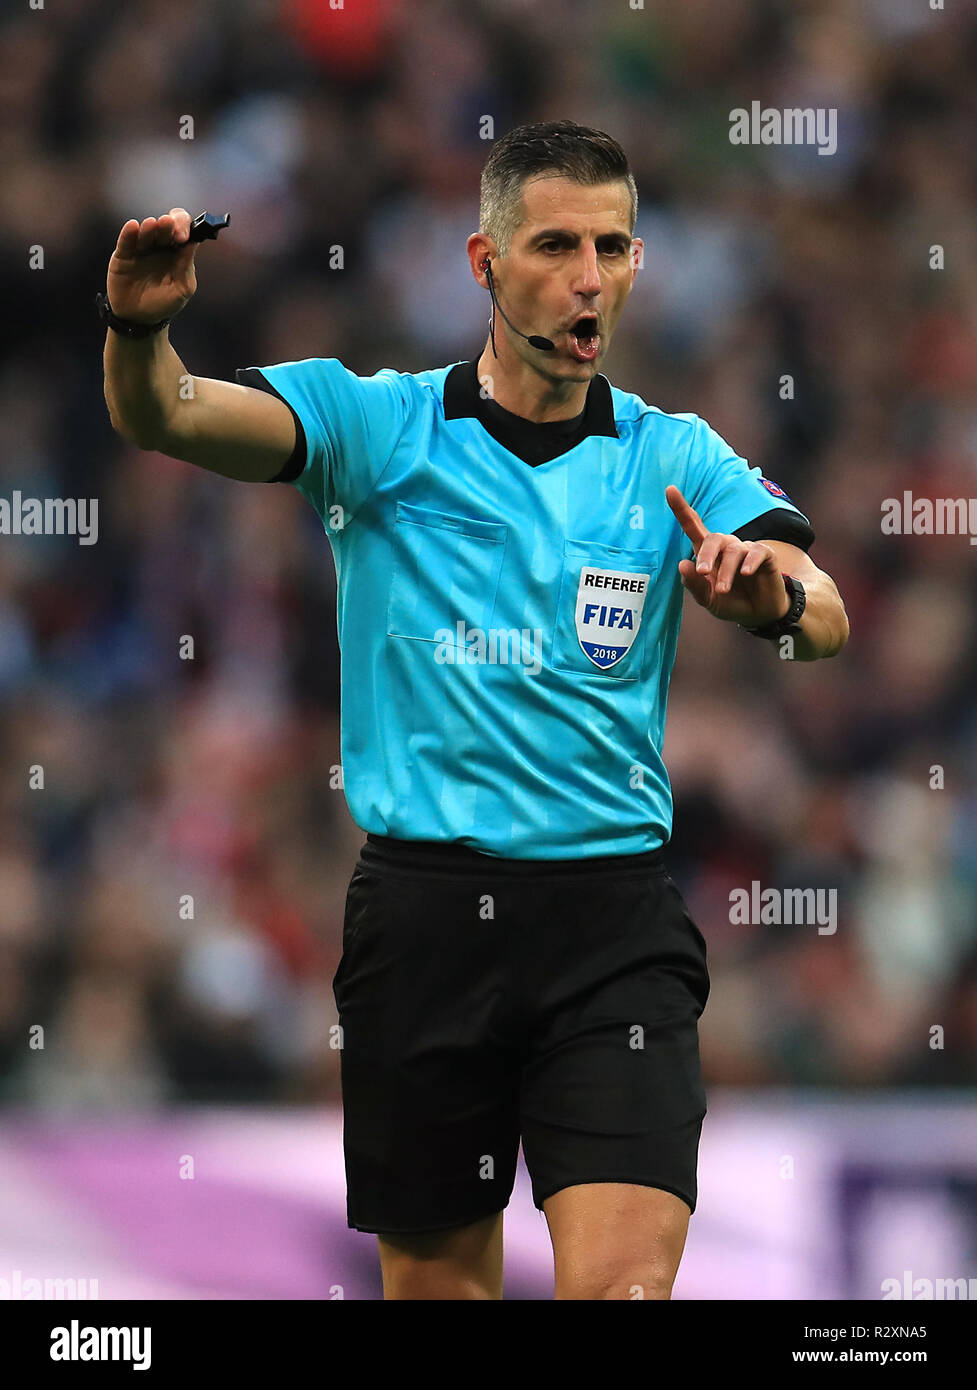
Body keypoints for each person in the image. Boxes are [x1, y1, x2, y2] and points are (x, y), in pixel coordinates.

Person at [101, 119, 850, 1300]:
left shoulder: (674, 453)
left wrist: (771, 597)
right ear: (483, 263)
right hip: (424, 920)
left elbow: (821, 606)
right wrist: (140, 327)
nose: (587, 277)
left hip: (614, 927)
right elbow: (167, 416)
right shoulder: (376, 426)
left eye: (611, 245)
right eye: (554, 244)